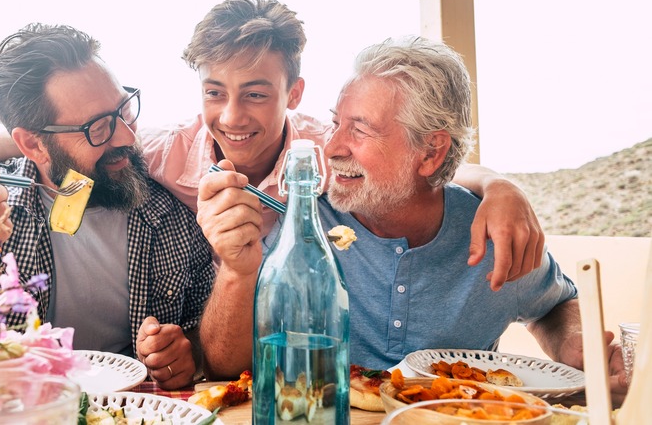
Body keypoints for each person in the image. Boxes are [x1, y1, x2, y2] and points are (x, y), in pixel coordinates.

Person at [0, 0, 543, 293]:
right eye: (214, 91)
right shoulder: (158, 149)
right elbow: (72, 142)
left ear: (294, 93)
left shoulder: (325, 149)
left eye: (256, 93)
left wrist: (499, 185)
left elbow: (420, 160)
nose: (230, 117)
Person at [196, 35, 628, 399]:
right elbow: (226, 365)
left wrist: (575, 343)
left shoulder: (490, 231)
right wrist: (237, 269)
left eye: (360, 129)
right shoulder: (306, 224)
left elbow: (553, 304)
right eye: (336, 124)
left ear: (431, 151)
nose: (333, 147)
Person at [0, 23, 215, 390]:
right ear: (33, 145)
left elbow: (204, 331)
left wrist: (190, 352)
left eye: (124, 109)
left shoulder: (171, 211)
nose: (127, 136)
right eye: (98, 128)